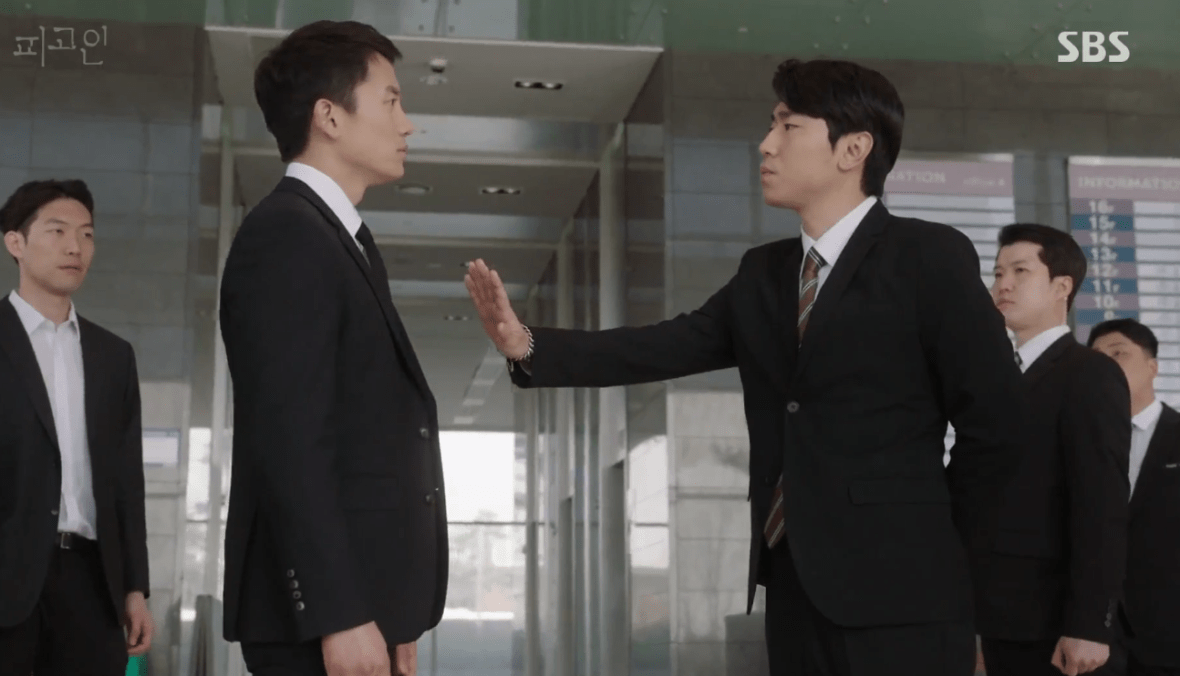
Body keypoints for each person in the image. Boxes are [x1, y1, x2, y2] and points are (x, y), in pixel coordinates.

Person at [465, 58, 1027, 676]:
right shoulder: (765, 272)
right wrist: (525, 344)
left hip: (907, 598)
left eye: (788, 126)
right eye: (770, 125)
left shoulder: (928, 257)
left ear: (854, 149)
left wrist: (943, 553)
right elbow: (666, 345)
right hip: (791, 585)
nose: (766, 144)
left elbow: (998, 428)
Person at [218, 20, 446, 676]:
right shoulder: (288, 237)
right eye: (391, 101)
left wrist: (393, 610)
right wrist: (338, 614)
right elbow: (290, 440)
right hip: (321, 623)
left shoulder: (339, 240)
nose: (408, 124)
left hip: (365, 609)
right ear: (329, 117)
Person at [0, 179, 153, 674]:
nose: (75, 247)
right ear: (15, 242)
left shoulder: (113, 357)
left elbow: (127, 482)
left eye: (87, 235)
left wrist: (135, 588)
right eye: (58, 231)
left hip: (91, 583)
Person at [975, 223, 1131, 676]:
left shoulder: (1089, 373)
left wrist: (1090, 624)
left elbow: (1101, 503)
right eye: (998, 272)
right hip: (998, 617)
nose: (1003, 284)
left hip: (1056, 625)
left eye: (1020, 271)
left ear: (1062, 286)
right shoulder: (997, 376)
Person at [1089, 319, 1180, 676]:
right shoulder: (1079, 442)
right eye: (1096, 358)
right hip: (1091, 640)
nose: (1106, 365)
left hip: (1169, 636)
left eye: (1118, 353)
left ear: (1153, 367)